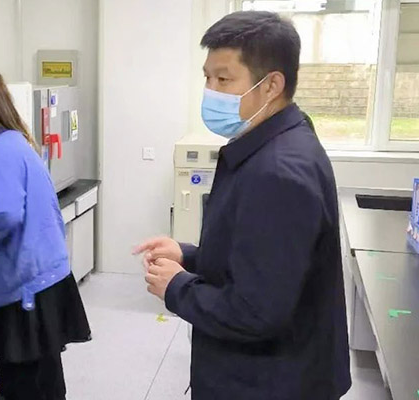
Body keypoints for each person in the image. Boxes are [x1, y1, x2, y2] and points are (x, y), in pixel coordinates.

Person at [134, 11, 351, 400]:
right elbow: (259, 260)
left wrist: (177, 287)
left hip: (271, 381)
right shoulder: (274, 142)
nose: (210, 91)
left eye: (223, 80)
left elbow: (255, 312)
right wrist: (188, 256)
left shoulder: (278, 173)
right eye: (206, 78)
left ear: (271, 86)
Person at [0, 71, 91, 400]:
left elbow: (4, 215)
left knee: (21, 383)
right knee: (45, 377)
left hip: (26, 285)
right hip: (45, 276)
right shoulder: (18, 143)